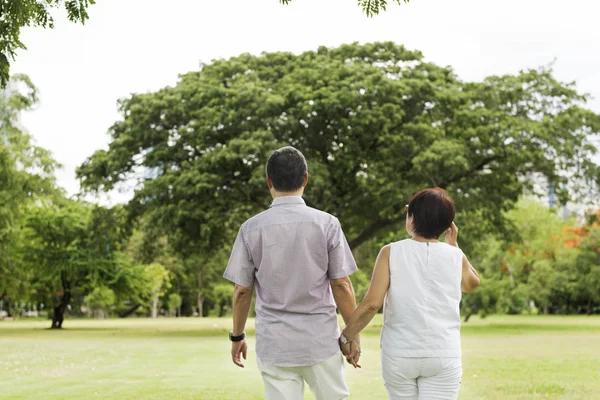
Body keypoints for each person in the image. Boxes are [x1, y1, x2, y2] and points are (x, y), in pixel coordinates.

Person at [223, 146, 360, 400]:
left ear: (269, 181)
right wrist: (352, 335)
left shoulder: (250, 228)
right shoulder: (327, 224)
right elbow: (341, 285)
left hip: (275, 345)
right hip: (321, 341)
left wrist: (237, 336)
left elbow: (242, 290)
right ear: (305, 179)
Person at [339, 188, 480, 400]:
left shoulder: (390, 252)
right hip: (442, 353)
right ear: (448, 225)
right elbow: (472, 283)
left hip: (399, 354)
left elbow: (371, 304)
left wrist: (346, 337)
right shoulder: (455, 256)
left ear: (410, 216)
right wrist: (454, 247)